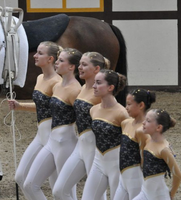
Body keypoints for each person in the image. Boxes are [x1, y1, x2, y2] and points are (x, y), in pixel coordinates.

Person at [23, 48, 82, 200]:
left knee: (64, 192)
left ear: (71, 67)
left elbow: (84, 118)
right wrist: (19, 106)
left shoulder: (76, 90)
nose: (56, 62)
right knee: (29, 184)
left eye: (61, 60)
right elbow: (44, 109)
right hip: (51, 141)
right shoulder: (57, 86)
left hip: (66, 142)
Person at [8, 41, 62, 198]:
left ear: (50, 59)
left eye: (40, 53)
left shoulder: (57, 83)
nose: (35, 56)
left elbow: (61, 111)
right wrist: (20, 106)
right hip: (40, 134)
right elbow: (42, 106)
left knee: (57, 185)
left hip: (54, 136)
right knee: (20, 177)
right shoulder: (39, 78)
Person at [52, 52, 110, 200]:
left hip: (94, 146)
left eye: (84, 65)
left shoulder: (99, 94)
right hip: (80, 144)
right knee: (59, 190)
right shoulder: (82, 88)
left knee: (96, 195)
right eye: (80, 64)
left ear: (96, 69)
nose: (80, 67)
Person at [82, 69, 129, 200]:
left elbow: (131, 140)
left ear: (110, 87)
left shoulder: (122, 113)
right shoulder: (93, 110)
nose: (93, 86)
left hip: (117, 164)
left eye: (98, 83)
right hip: (98, 162)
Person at [113, 89, 156, 200]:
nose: (126, 107)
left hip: (135, 176)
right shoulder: (125, 123)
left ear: (141, 105)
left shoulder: (143, 130)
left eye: (129, 104)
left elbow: (145, 156)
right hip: (123, 176)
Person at [132, 109, 181, 200]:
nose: (143, 122)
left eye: (148, 121)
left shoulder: (163, 149)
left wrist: (171, 194)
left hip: (159, 196)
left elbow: (178, 175)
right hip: (145, 193)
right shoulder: (148, 140)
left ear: (158, 127)